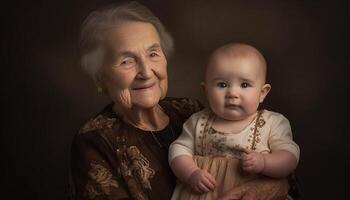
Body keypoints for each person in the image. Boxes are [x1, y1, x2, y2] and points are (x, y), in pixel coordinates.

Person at [69, 1, 292, 200]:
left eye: (153, 54)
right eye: (127, 61)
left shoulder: (189, 110)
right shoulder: (95, 142)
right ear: (101, 76)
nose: (146, 72)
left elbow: (285, 177)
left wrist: (268, 186)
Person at [169, 43, 300, 200]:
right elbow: (178, 150)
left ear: (262, 93)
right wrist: (191, 173)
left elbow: (290, 156)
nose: (232, 93)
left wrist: (265, 162)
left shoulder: (272, 123)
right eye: (222, 85)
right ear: (206, 91)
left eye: (244, 84)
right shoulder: (197, 122)